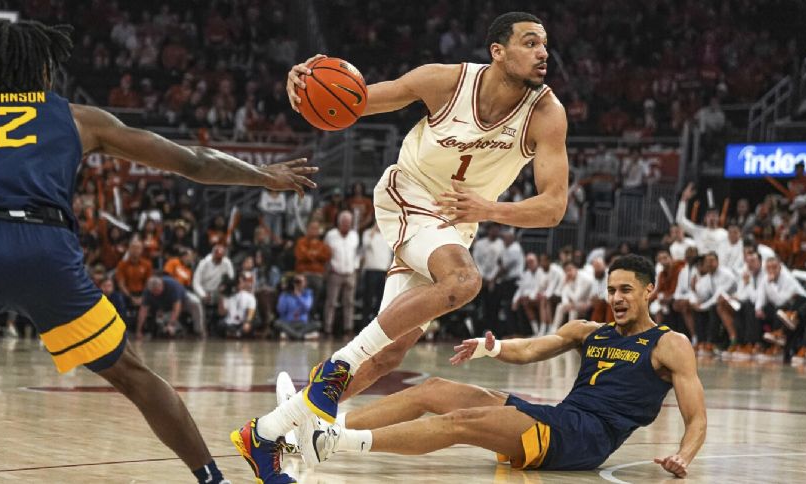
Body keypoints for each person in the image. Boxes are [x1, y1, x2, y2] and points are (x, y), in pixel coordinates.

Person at [0, 20, 316, 484]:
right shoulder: (78, 117)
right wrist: (262, 174)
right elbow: (191, 161)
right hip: (47, 250)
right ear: (44, 70)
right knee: (133, 375)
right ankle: (213, 479)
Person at [235, 12, 570, 483]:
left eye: (545, 45)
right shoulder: (444, 82)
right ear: (498, 51)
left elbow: (553, 207)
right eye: (531, 43)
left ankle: (267, 433)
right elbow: (352, 103)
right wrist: (307, 87)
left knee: (388, 356)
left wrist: (488, 210)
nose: (543, 53)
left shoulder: (546, 113)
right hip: (408, 193)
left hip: (458, 223)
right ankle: (334, 371)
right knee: (464, 281)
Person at [300, 255, 707, 480]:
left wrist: (683, 457)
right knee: (433, 389)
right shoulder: (590, 331)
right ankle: (321, 426)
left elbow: (697, 417)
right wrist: (488, 349)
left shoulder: (669, 344)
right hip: (561, 419)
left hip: (586, 440)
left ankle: (335, 442)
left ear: (649, 291)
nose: (616, 298)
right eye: (612, 290)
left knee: (463, 420)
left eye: (626, 290)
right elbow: (530, 349)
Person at [273, 274, 319, 340]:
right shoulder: (285, 294)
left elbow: (307, 308)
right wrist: (283, 296)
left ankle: (291, 335)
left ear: (305, 283)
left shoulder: (307, 293)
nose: (298, 283)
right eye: (296, 281)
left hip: (303, 323)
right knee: (277, 323)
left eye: (300, 281)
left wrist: (298, 296)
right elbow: (281, 311)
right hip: (289, 323)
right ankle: (302, 336)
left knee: (317, 324)